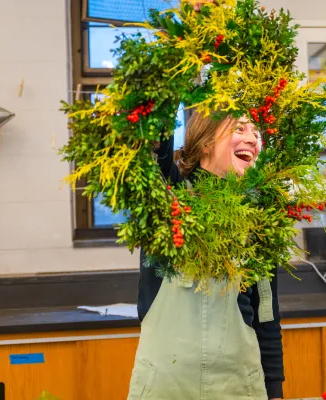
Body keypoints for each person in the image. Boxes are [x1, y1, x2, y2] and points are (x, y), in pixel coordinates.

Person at [127, 111, 285, 400]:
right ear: (205, 144)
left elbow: (266, 313)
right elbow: (156, 152)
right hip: (168, 385)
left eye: (256, 132)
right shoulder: (171, 199)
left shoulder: (258, 217)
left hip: (238, 384)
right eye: (239, 128)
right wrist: (176, 74)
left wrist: (275, 389)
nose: (252, 138)